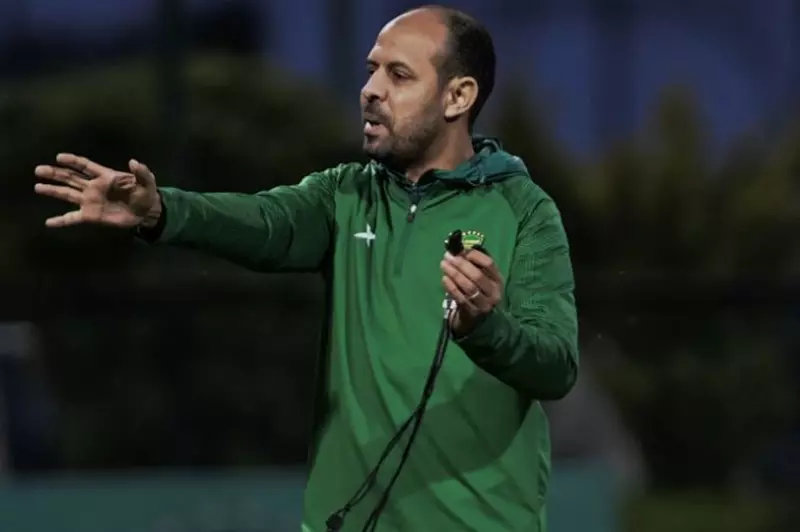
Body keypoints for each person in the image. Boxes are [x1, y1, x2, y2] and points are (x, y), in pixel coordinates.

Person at [33, 5, 578, 531]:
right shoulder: (344, 195)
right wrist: (160, 210)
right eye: (371, 70)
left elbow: (555, 366)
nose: (371, 90)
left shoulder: (524, 211)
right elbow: (265, 222)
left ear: (458, 96)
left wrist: (485, 327)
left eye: (398, 75)